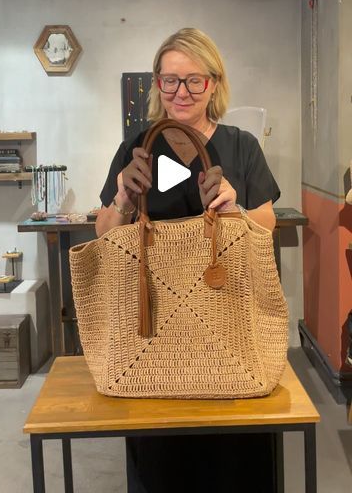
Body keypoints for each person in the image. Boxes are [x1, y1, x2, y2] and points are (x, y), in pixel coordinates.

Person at [96, 28, 281, 493]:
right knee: (162, 459)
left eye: (194, 80)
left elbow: (267, 224)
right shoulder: (138, 146)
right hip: (155, 330)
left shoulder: (241, 146)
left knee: (235, 459)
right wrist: (122, 195)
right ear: (157, 85)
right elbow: (104, 233)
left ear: (214, 83)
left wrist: (234, 208)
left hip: (229, 324)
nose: (181, 92)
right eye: (170, 81)